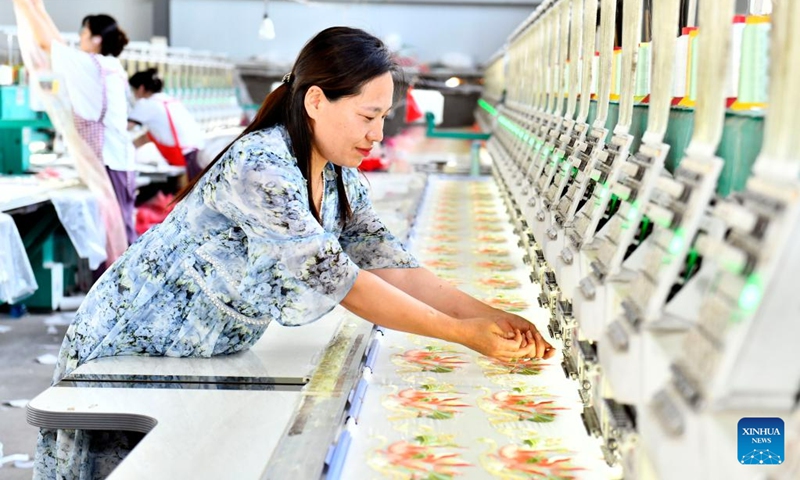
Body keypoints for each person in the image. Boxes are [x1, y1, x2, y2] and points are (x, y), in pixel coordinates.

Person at [33, 26, 555, 478]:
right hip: (131, 349)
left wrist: (493, 317)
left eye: (384, 118)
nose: (378, 134)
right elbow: (341, 281)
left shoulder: (335, 176)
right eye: (368, 116)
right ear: (315, 102)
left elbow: (392, 266)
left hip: (198, 357)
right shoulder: (261, 166)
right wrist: (463, 335)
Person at [13, 0, 138, 246]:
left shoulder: (94, 66)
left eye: (83, 33)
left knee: (116, 243)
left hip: (110, 165)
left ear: (97, 39)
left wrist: (26, 6)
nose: (79, 38)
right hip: (116, 163)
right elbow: (56, 43)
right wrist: (35, 7)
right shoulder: (107, 66)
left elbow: (48, 44)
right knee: (119, 238)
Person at [128, 68, 206, 180]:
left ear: (141, 88)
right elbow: (148, 137)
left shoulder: (146, 104)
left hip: (184, 157)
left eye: (133, 90)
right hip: (196, 155)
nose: (133, 94)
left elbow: (123, 128)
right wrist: (131, 147)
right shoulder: (169, 100)